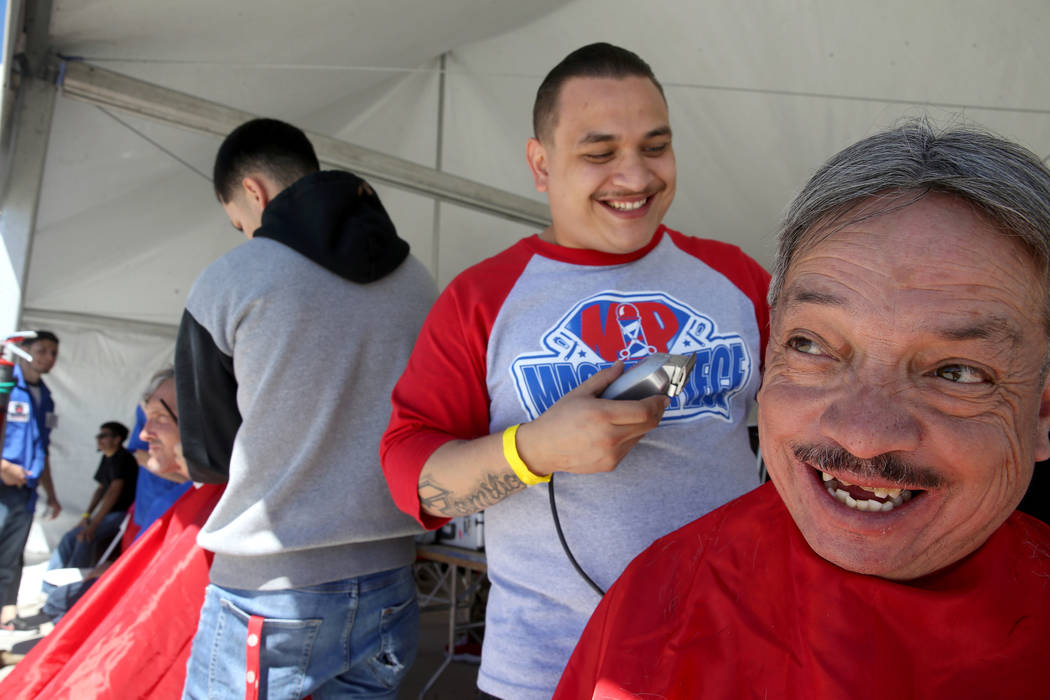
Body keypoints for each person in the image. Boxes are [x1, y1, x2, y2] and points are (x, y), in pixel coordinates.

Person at [554, 120, 1050, 700]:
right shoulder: (661, 599)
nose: (863, 436)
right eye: (812, 345)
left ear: (1042, 413)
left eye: (957, 372)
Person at [381, 43, 770, 699]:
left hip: (725, 660)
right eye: (599, 153)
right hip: (549, 674)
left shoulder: (736, 276)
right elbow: (412, 482)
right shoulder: (483, 298)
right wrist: (534, 450)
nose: (635, 175)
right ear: (541, 164)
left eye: (655, 147)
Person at [176, 118, 436, 699]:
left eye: (238, 221)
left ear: (254, 192)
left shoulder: (231, 281)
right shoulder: (420, 281)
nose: (244, 233)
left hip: (269, 588)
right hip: (392, 578)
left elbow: (210, 456)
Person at [1, 366, 226, 699]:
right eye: (145, 418)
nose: (144, 434)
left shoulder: (217, 519)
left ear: (202, 421)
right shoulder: (196, 502)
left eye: (159, 418)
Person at [0, 331, 61, 631]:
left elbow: (43, 447)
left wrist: (51, 492)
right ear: (24, 351)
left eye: (53, 352)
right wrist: (3, 467)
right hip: (2, 482)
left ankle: (7, 615)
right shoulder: (6, 386)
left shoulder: (46, 397)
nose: (48, 358)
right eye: (42, 351)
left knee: (12, 552)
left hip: (27, 488)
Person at [46, 421, 137, 571]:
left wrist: (93, 525)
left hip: (123, 515)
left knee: (84, 537)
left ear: (117, 439)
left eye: (103, 436)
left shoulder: (123, 458)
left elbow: (113, 492)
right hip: (110, 515)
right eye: (98, 435)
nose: (99, 439)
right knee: (70, 537)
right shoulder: (107, 458)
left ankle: (76, 586)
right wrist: (86, 516)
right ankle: (51, 586)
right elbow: (100, 490)